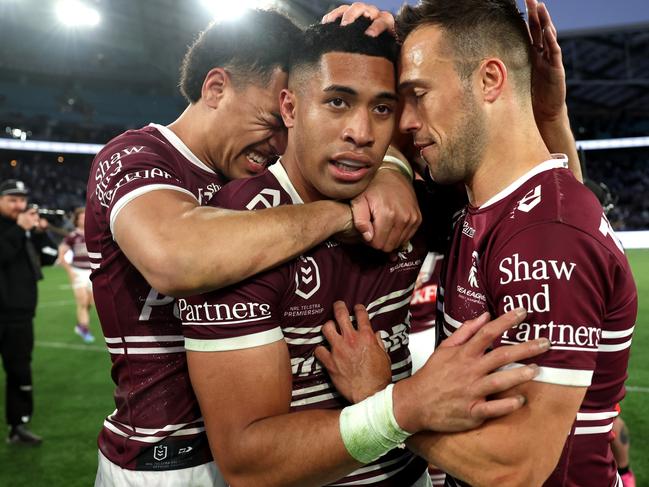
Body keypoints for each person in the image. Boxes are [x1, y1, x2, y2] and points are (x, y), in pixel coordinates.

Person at [179, 18, 550, 487]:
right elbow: (248, 461)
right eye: (337, 102)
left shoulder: (413, 204)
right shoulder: (240, 229)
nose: (360, 131)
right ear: (289, 108)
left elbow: (548, 212)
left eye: (382, 109)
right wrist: (403, 404)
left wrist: (552, 114)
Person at [86, 8, 423, 486]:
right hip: (166, 461)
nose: (281, 140)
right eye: (271, 119)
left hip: (262, 443)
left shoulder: (248, 175)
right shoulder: (137, 157)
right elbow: (175, 255)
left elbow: (354, 126)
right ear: (216, 89)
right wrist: (342, 214)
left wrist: (391, 168)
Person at [388, 0, 638, 485]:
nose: (406, 121)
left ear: (489, 80)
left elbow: (518, 467)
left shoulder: (546, 236)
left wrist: (383, 405)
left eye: (418, 94)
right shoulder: (487, 205)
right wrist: (550, 114)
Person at [0, 179, 57, 445]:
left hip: (21, 316)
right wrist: (19, 231)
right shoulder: (10, 230)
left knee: (20, 372)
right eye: (12, 200)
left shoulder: (26, 230)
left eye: (22, 200)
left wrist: (38, 232)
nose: (19, 205)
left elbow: (50, 257)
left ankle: (18, 426)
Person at [58, 207, 95, 343]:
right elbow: (61, 255)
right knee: (82, 302)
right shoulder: (72, 236)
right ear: (76, 220)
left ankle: (80, 324)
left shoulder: (94, 234)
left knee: (90, 302)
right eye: (82, 217)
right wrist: (70, 272)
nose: (85, 219)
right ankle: (84, 329)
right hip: (78, 272)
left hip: (92, 272)